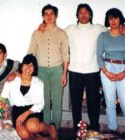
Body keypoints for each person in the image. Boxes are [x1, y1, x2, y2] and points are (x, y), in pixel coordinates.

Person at [65, 3, 106, 133]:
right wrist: (43, 25)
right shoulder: (69, 29)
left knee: (93, 102)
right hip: (74, 71)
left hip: (92, 71)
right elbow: (57, 36)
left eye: (86, 12)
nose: (83, 15)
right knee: (76, 102)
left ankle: (94, 127)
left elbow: (114, 31)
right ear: (77, 15)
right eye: (81, 12)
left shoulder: (99, 28)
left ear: (90, 14)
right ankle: (78, 128)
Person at [0, 54, 58, 140]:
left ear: (34, 68)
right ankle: (39, 138)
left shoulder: (38, 83)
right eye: (26, 64)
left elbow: (40, 104)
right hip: (17, 111)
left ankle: (50, 128)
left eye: (31, 65)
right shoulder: (11, 81)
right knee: (24, 135)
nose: (28, 68)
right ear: (22, 66)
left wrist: (26, 114)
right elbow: (2, 98)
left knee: (32, 126)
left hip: (32, 110)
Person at [28, 4, 69, 129]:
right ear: (43, 16)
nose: (49, 16)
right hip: (42, 72)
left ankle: (55, 130)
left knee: (57, 103)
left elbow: (65, 56)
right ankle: (46, 129)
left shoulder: (62, 33)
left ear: (56, 16)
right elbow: (31, 52)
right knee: (44, 102)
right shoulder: (36, 33)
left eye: (52, 13)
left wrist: (64, 74)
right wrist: (27, 71)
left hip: (57, 70)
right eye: (46, 14)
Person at [97, 8, 125, 133]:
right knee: (110, 102)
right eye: (110, 18)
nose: (113, 21)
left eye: (116, 17)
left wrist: (123, 73)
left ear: (120, 19)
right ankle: (113, 131)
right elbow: (98, 55)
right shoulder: (103, 36)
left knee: (124, 102)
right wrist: (106, 71)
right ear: (108, 21)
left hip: (123, 69)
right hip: (107, 68)